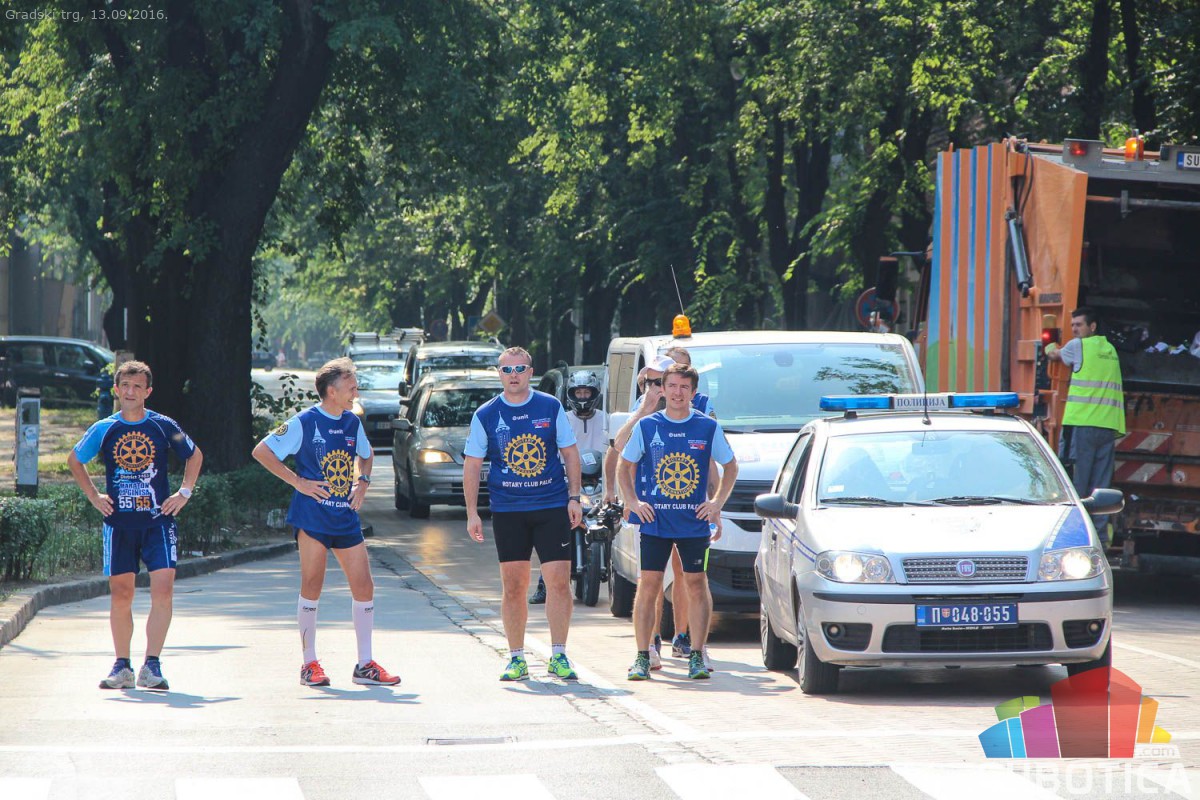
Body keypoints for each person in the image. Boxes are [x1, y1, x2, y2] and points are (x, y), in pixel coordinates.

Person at [252, 357, 401, 688]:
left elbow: (366, 455)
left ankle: (365, 665)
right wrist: (298, 482)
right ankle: (309, 664)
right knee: (312, 585)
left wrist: (363, 483)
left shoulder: (352, 422)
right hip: (312, 516)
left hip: (344, 516)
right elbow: (262, 451)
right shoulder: (305, 422)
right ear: (332, 391)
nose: (355, 392)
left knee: (364, 585)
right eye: (351, 387)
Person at [68, 360, 204, 691]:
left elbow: (194, 454)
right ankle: (122, 667)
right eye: (125, 386)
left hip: (158, 522)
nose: (130, 392)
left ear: (148, 391)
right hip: (119, 524)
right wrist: (94, 496)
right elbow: (75, 460)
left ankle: (152, 666)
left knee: (164, 589)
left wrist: (184, 492)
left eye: (137, 387)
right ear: (116, 390)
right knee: (121, 594)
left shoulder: (163, 425)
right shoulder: (104, 428)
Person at [464, 347, 585, 681]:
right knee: (514, 587)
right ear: (499, 374)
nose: (513, 375)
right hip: (509, 510)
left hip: (551, 507)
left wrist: (575, 498)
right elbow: (472, 464)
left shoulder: (549, 406)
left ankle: (558, 655)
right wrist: (472, 512)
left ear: (531, 372)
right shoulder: (486, 414)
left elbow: (570, 453)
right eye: (507, 370)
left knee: (559, 583)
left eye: (519, 369)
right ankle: (516, 658)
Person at [618, 362, 738, 681]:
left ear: (693, 392)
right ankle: (643, 655)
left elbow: (730, 467)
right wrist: (632, 502)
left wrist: (716, 504)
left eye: (684, 387)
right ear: (663, 389)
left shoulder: (706, 427)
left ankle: (696, 654)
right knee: (649, 584)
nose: (677, 392)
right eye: (671, 386)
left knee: (696, 583)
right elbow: (623, 466)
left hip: (693, 523)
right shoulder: (647, 426)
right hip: (655, 522)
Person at [1045, 306, 1126, 544]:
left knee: (1076, 483)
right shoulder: (1110, 350)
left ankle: (1076, 536)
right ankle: (1099, 539)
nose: (1074, 329)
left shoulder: (1077, 346)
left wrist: (1048, 344)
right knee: (1101, 488)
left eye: (1079, 325)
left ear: (1093, 326)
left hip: (1081, 425)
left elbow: (1054, 355)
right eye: (1073, 325)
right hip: (1107, 427)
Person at [531, 369, 607, 605]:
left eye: (587, 392)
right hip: (566, 482)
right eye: (578, 392)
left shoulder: (606, 419)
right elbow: (549, 450)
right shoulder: (561, 418)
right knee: (552, 532)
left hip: (598, 482)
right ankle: (544, 584)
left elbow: (615, 450)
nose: (583, 397)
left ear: (595, 394)